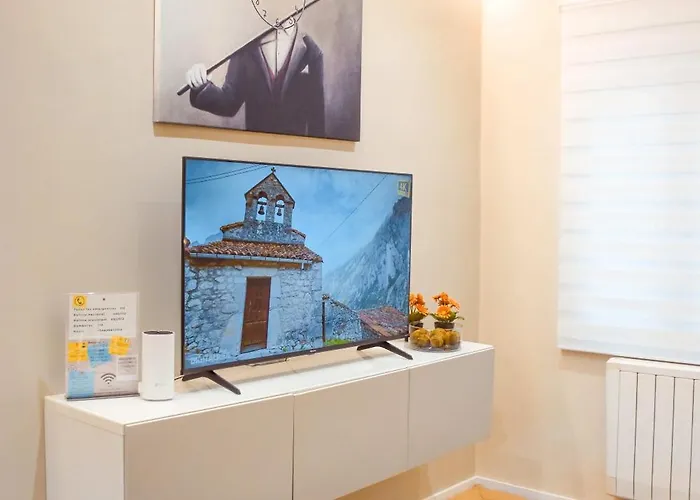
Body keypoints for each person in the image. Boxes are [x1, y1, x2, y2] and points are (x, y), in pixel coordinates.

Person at [186, 24, 325, 138]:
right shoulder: (246, 46)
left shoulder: (311, 50)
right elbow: (229, 103)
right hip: (254, 150)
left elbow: (317, 119)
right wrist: (201, 86)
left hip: (294, 153)